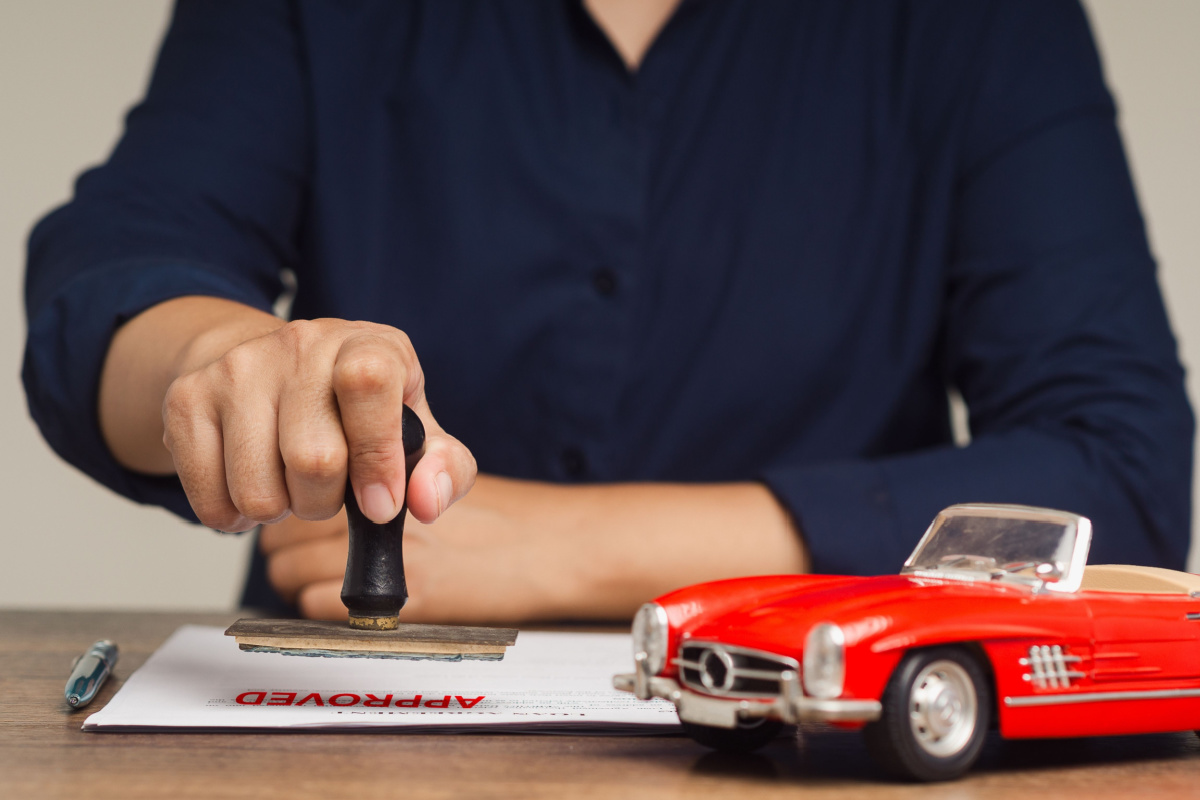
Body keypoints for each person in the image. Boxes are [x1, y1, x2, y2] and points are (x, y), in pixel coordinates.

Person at [22, 0, 1193, 624]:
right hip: (358, 741)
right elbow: (106, 285)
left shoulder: (979, 18)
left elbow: (1123, 477)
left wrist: (567, 547)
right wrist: (231, 359)